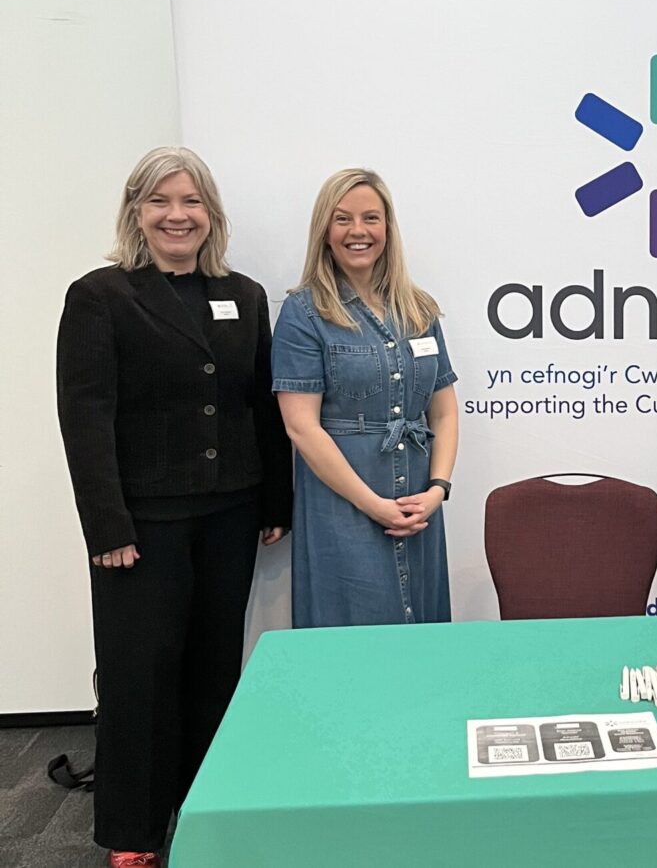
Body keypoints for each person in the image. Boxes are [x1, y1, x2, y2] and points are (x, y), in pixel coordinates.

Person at [56, 147, 292, 867]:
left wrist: (274, 499)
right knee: (138, 677)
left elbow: (262, 406)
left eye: (191, 202)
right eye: (161, 201)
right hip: (142, 523)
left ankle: (201, 811)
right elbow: (85, 416)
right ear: (137, 212)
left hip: (229, 510)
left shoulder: (244, 295)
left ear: (210, 215)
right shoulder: (101, 295)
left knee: (213, 668)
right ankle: (131, 831)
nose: (177, 215)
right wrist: (107, 525)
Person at [272, 168, 458, 627]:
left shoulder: (419, 309)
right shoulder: (303, 312)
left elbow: (445, 409)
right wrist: (373, 503)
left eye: (371, 218)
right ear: (325, 232)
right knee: (354, 635)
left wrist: (438, 489)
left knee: (421, 633)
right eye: (343, 219)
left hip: (419, 501)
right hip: (343, 503)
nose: (359, 231)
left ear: (388, 229)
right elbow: (301, 426)